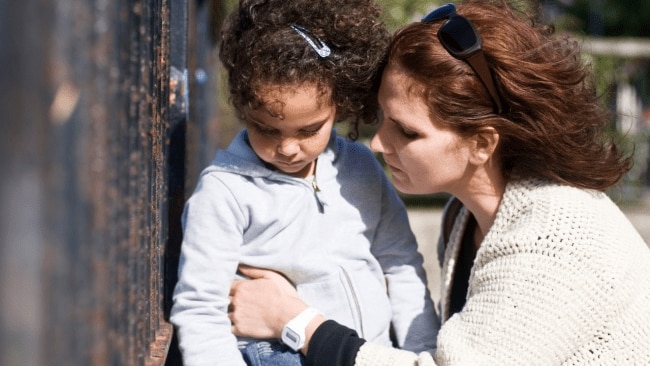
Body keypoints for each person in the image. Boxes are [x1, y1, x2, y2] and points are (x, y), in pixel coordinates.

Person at [227, 0, 650, 365]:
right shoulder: (465, 216)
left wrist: (295, 321)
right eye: (383, 118)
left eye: (407, 132)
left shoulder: (549, 241)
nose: (377, 142)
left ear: (482, 143)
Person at [169, 0, 440, 365]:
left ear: (338, 107)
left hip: (367, 353)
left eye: (309, 130)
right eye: (266, 128)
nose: (288, 148)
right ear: (242, 107)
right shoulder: (224, 191)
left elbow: (401, 264)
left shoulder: (360, 166)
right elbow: (201, 309)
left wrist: (420, 352)